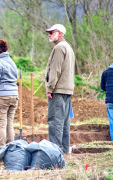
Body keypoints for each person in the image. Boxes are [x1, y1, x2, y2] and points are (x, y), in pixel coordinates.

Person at [45, 24, 75, 153]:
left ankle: (54, 152)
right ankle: (64, 150)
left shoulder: (59, 48)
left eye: (52, 32)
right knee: (64, 122)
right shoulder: (68, 47)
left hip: (58, 90)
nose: (49, 35)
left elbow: (55, 70)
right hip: (67, 90)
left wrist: (50, 88)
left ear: (60, 33)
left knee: (55, 121)